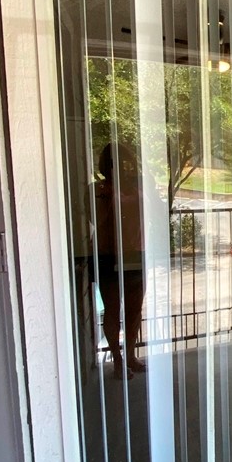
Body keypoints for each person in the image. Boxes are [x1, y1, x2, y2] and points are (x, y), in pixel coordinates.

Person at [95, 143, 147, 379]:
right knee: (113, 310)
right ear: (106, 165)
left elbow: (153, 210)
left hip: (136, 254)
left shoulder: (138, 186)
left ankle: (132, 355)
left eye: (127, 162)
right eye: (117, 163)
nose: (124, 168)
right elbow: (98, 219)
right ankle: (118, 360)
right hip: (109, 256)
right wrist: (111, 195)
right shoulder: (98, 189)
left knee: (135, 311)